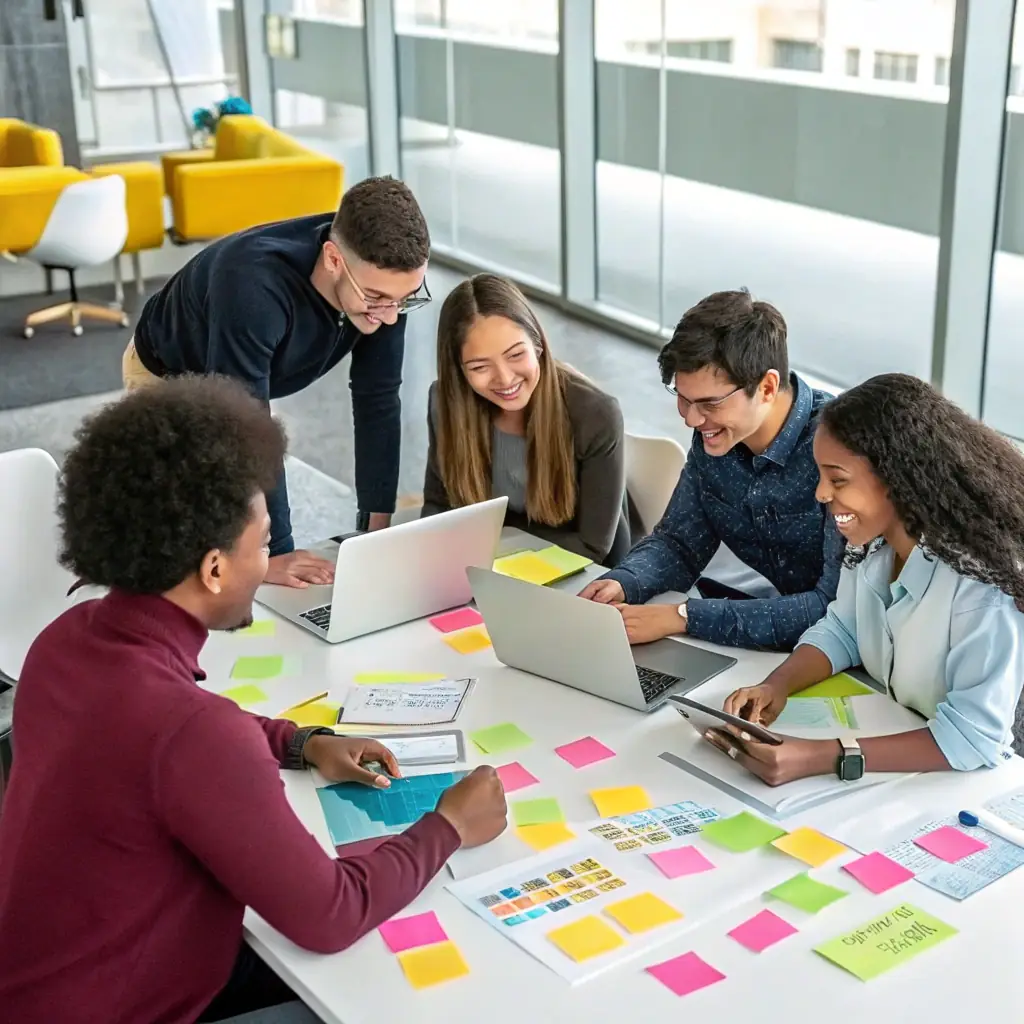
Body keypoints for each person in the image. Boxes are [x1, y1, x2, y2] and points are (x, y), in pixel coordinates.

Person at [0, 377, 507, 1024]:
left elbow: (166, 732)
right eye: (264, 544)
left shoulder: (65, 642)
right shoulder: (192, 733)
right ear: (213, 568)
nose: (269, 558)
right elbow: (330, 914)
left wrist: (302, 741)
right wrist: (449, 826)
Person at [710, 373, 1024, 784]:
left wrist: (816, 757)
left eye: (838, 479)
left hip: (973, 786)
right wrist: (777, 686)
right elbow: (843, 629)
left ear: (899, 479)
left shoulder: (981, 587)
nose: (822, 494)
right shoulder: (872, 547)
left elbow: (972, 738)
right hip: (900, 758)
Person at [123, 176, 432, 589]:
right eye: (376, 298)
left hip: (245, 371)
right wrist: (276, 553)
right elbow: (246, 428)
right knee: (187, 543)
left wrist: (376, 532)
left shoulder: (384, 283)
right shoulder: (251, 285)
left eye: (405, 299)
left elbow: (378, 399)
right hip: (170, 375)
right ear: (333, 259)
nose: (392, 316)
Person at [580, 288, 843, 650]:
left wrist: (684, 616)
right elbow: (680, 543)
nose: (691, 418)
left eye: (709, 403)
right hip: (778, 642)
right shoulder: (718, 435)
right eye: (683, 398)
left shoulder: (839, 450)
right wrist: (625, 581)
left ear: (767, 387)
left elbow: (832, 608)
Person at [422, 273, 630, 564]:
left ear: (538, 346)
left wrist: (491, 546)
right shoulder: (444, 402)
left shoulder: (595, 414)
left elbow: (593, 546)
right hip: (493, 566)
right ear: (458, 370)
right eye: (480, 366)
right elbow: (438, 505)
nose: (505, 379)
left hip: (585, 572)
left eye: (516, 354)